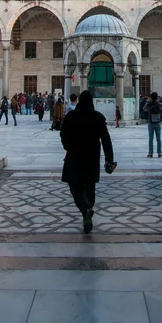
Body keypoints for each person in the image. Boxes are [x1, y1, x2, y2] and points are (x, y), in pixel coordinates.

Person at [60, 90, 115, 233]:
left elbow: (63, 134)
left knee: (74, 186)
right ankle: (88, 208)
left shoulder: (71, 116)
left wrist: (68, 146)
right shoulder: (97, 117)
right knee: (90, 187)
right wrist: (109, 159)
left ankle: (85, 210)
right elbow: (106, 140)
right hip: (91, 157)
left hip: (74, 157)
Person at [143, 92, 162, 158]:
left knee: (151, 139)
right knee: (159, 139)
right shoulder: (158, 103)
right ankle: (159, 153)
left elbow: (144, 109)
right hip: (157, 122)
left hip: (151, 122)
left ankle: (150, 153)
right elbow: (161, 108)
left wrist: (148, 102)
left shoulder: (149, 104)